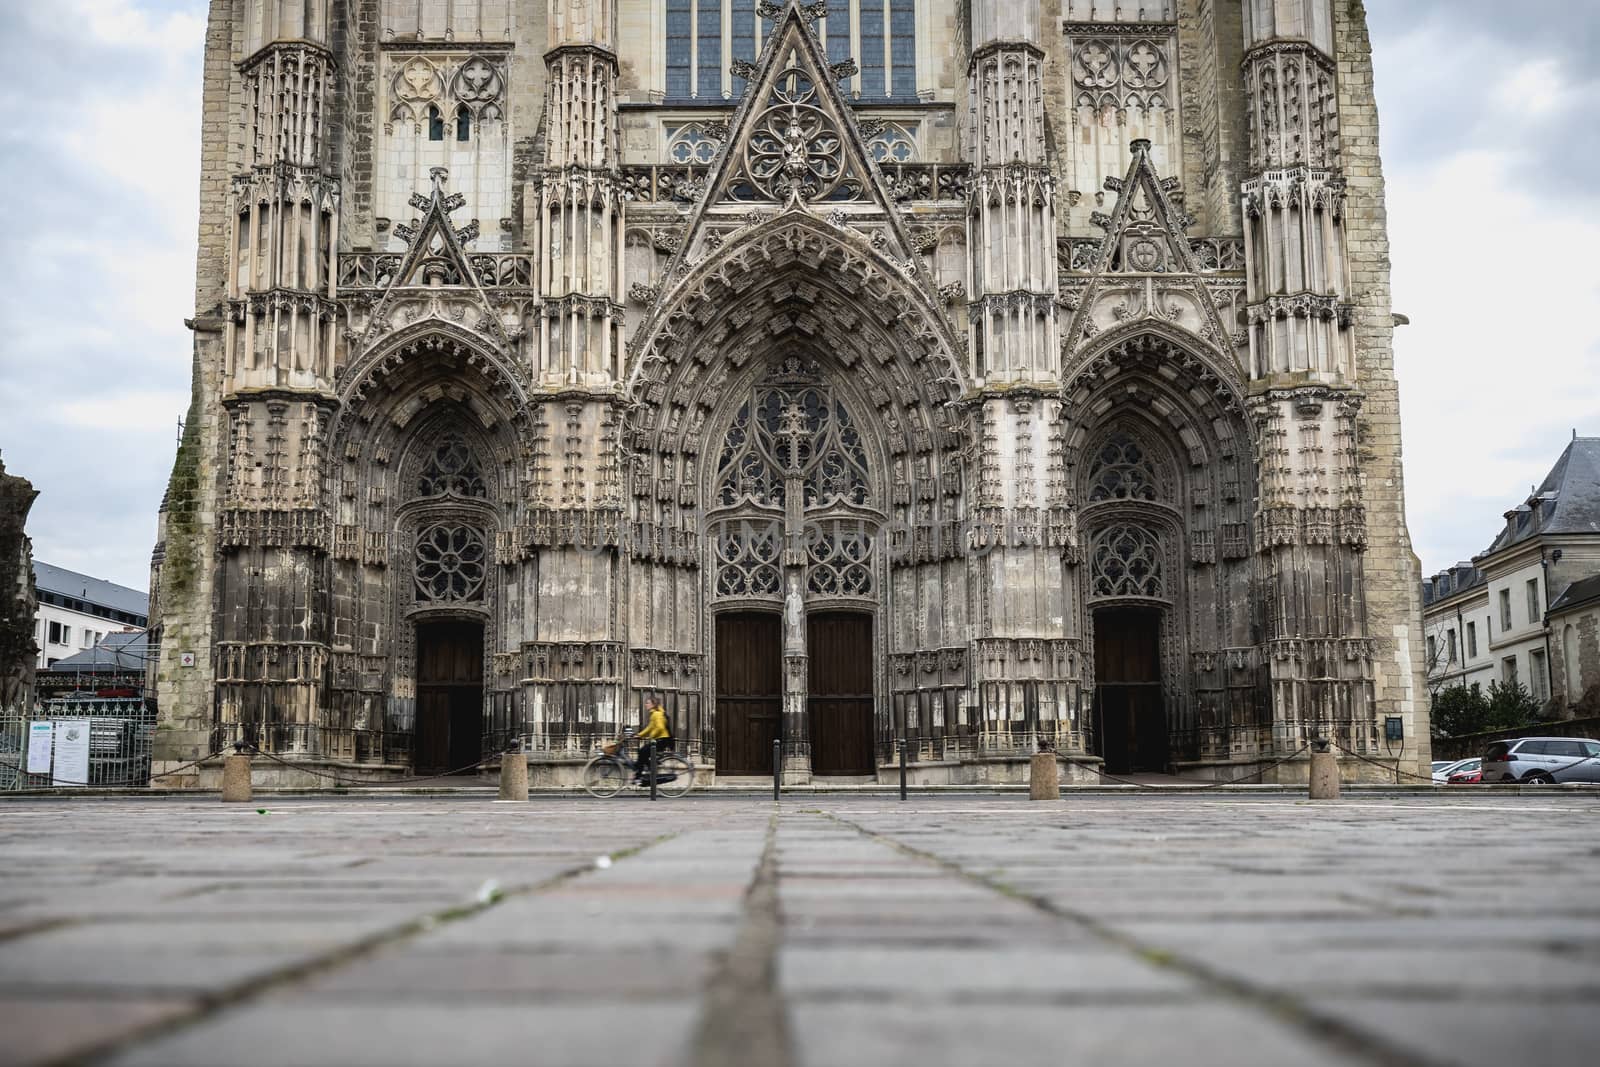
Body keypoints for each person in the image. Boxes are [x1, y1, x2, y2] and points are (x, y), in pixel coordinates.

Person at [633, 701, 671, 784]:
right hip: (661, 739)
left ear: (653, 705)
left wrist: (651, 736)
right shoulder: (654, 714)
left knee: (642, 751)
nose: (646, 704)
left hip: (662, 740)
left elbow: (660, 728)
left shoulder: (656, 714)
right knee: (643, 752)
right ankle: (647, 770)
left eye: (648, 703)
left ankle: (640, 776)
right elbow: (649, 728)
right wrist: (639, 735)